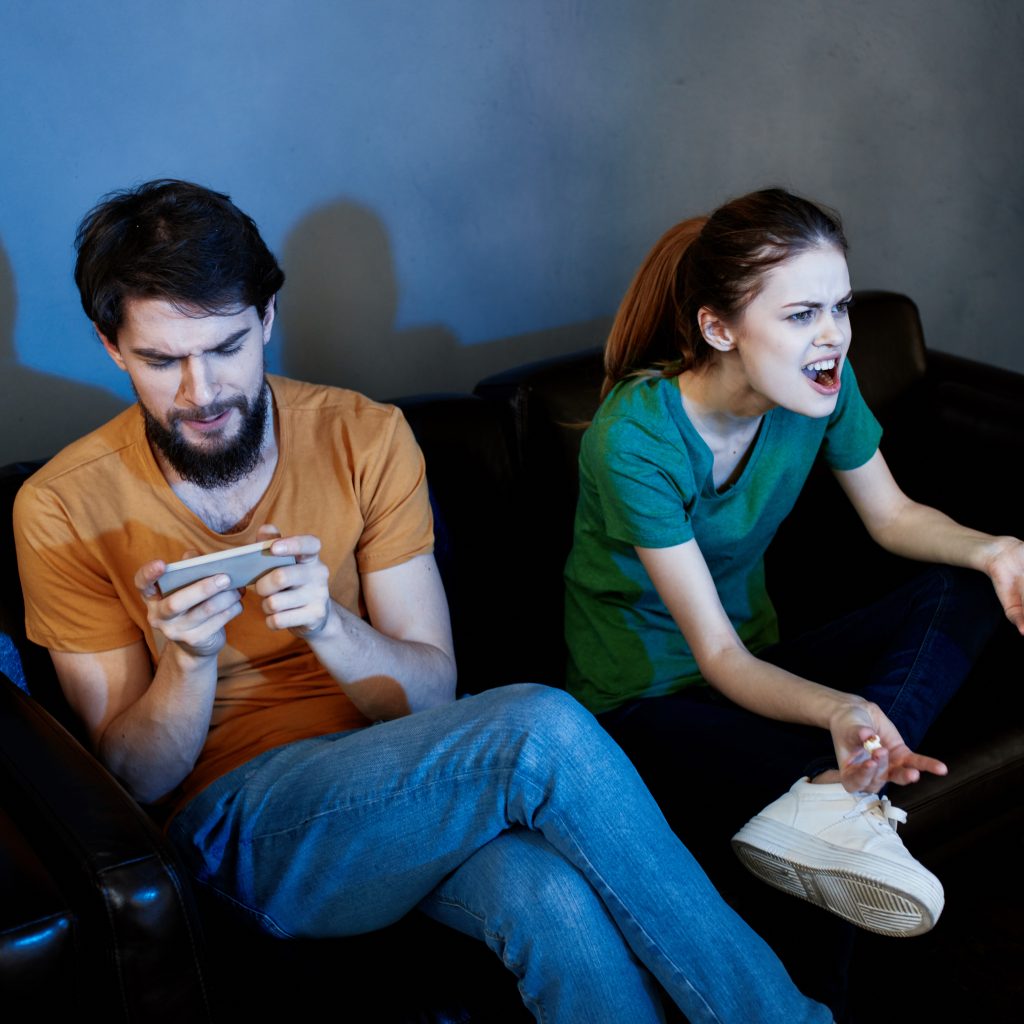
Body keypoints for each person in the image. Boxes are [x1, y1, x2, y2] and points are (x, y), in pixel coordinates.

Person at [12, 179, 834, 1024]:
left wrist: (332, 626)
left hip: (405, 781)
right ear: (112, 348)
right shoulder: (60, 507)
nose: (201, 391)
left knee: (551, 903)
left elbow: (431, 696)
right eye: (160, 360)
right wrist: (186, 665)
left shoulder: (365, 435)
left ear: (264, 320)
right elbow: (129, 777)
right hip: (235, 828)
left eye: (225, 348)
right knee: (537, 727)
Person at [564, 188, 1023, 1011]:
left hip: (760, 667)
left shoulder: (823, 389)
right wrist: (839, 712)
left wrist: (999, 550)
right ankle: (840, 793)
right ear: (719, 328)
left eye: (841, 308)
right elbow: (716, 657)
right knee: (814, 822)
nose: (835, 336)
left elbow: (895, 517)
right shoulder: (633, 439)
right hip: (646, 704)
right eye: (803, 313)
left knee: (967, 582)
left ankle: (845, 787)